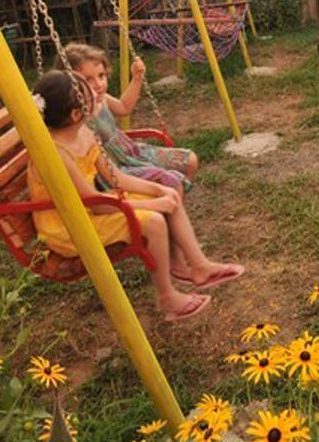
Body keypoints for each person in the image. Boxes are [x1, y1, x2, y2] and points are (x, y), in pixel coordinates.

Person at [28, 70, 243, 322]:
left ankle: (199, 266)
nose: (99, 97)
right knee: (153, 220)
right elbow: (94, 204)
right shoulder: (57, 154)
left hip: (92, 206)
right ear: (77, 114)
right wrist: (154, 202)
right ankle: (167, 296)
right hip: (70, 226)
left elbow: (115, 177)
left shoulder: (84, 134)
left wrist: (158, 190)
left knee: (170, 196)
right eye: (92, 98)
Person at [62, 42, 197, 191]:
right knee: (170, 181)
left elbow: (124, 107)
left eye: (101, 75)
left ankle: (174, 205)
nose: (98, 84)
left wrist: (137, 79)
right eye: (88, 80)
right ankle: (167, 207)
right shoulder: (78, 116)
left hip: (131, 152)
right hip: (113, 167)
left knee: (190, 160)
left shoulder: (102, 98)